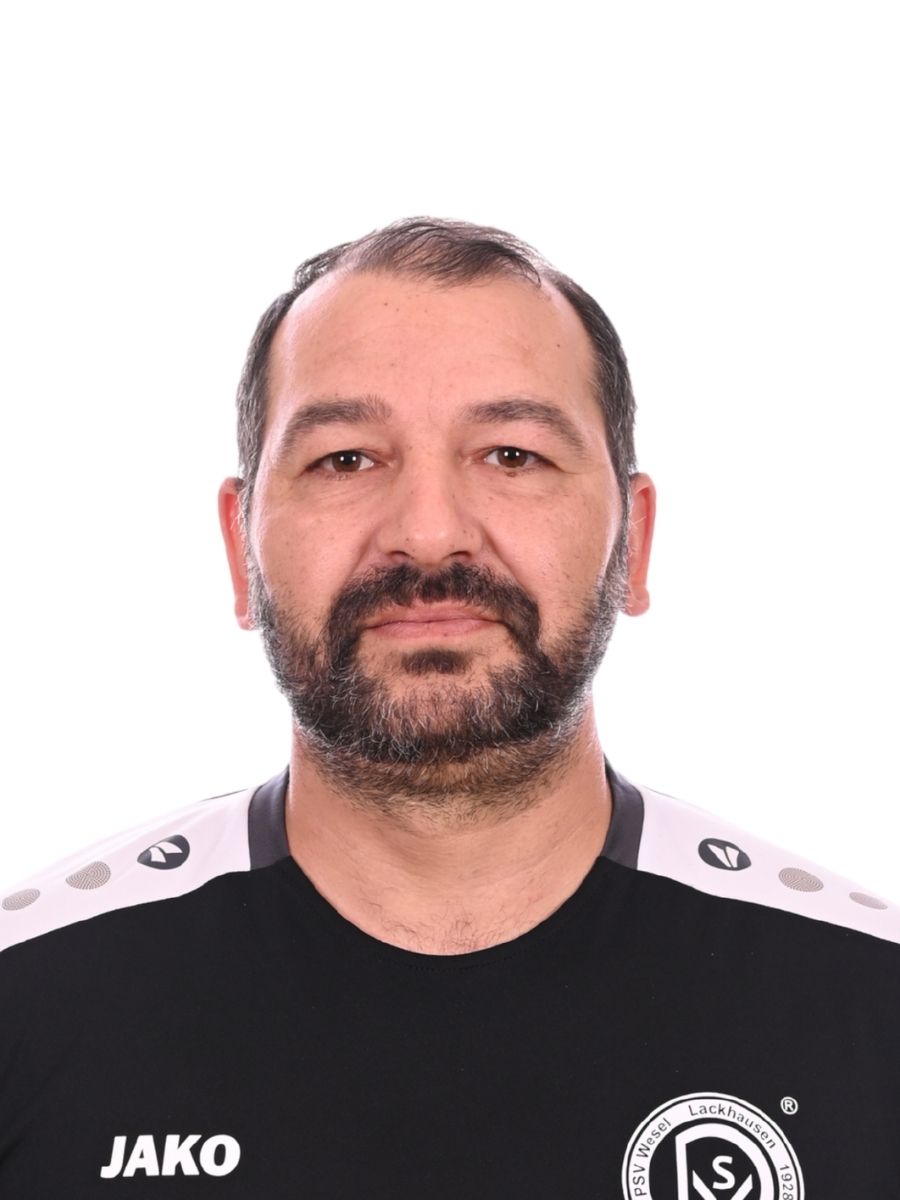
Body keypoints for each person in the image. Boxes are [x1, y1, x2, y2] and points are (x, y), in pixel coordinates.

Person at [0, 219, 896, 1199]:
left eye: (512, 455)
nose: (428, 534)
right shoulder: (28, 1002)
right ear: (239, 546)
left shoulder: (869, 1007)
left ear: (634, 542)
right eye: (347, 459)